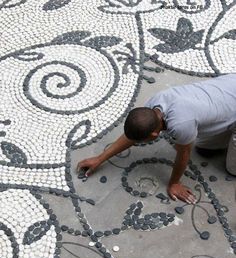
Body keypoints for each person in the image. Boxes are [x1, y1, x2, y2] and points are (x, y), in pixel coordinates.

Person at [77, 74, 236, 204]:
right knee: (204, 149)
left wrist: (174, 183)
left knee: (232, 168)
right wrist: (99, 159)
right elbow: (134, 135)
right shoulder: (153, 106)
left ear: (153, 135)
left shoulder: (181, 124)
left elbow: (184, 154)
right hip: (229, 86)